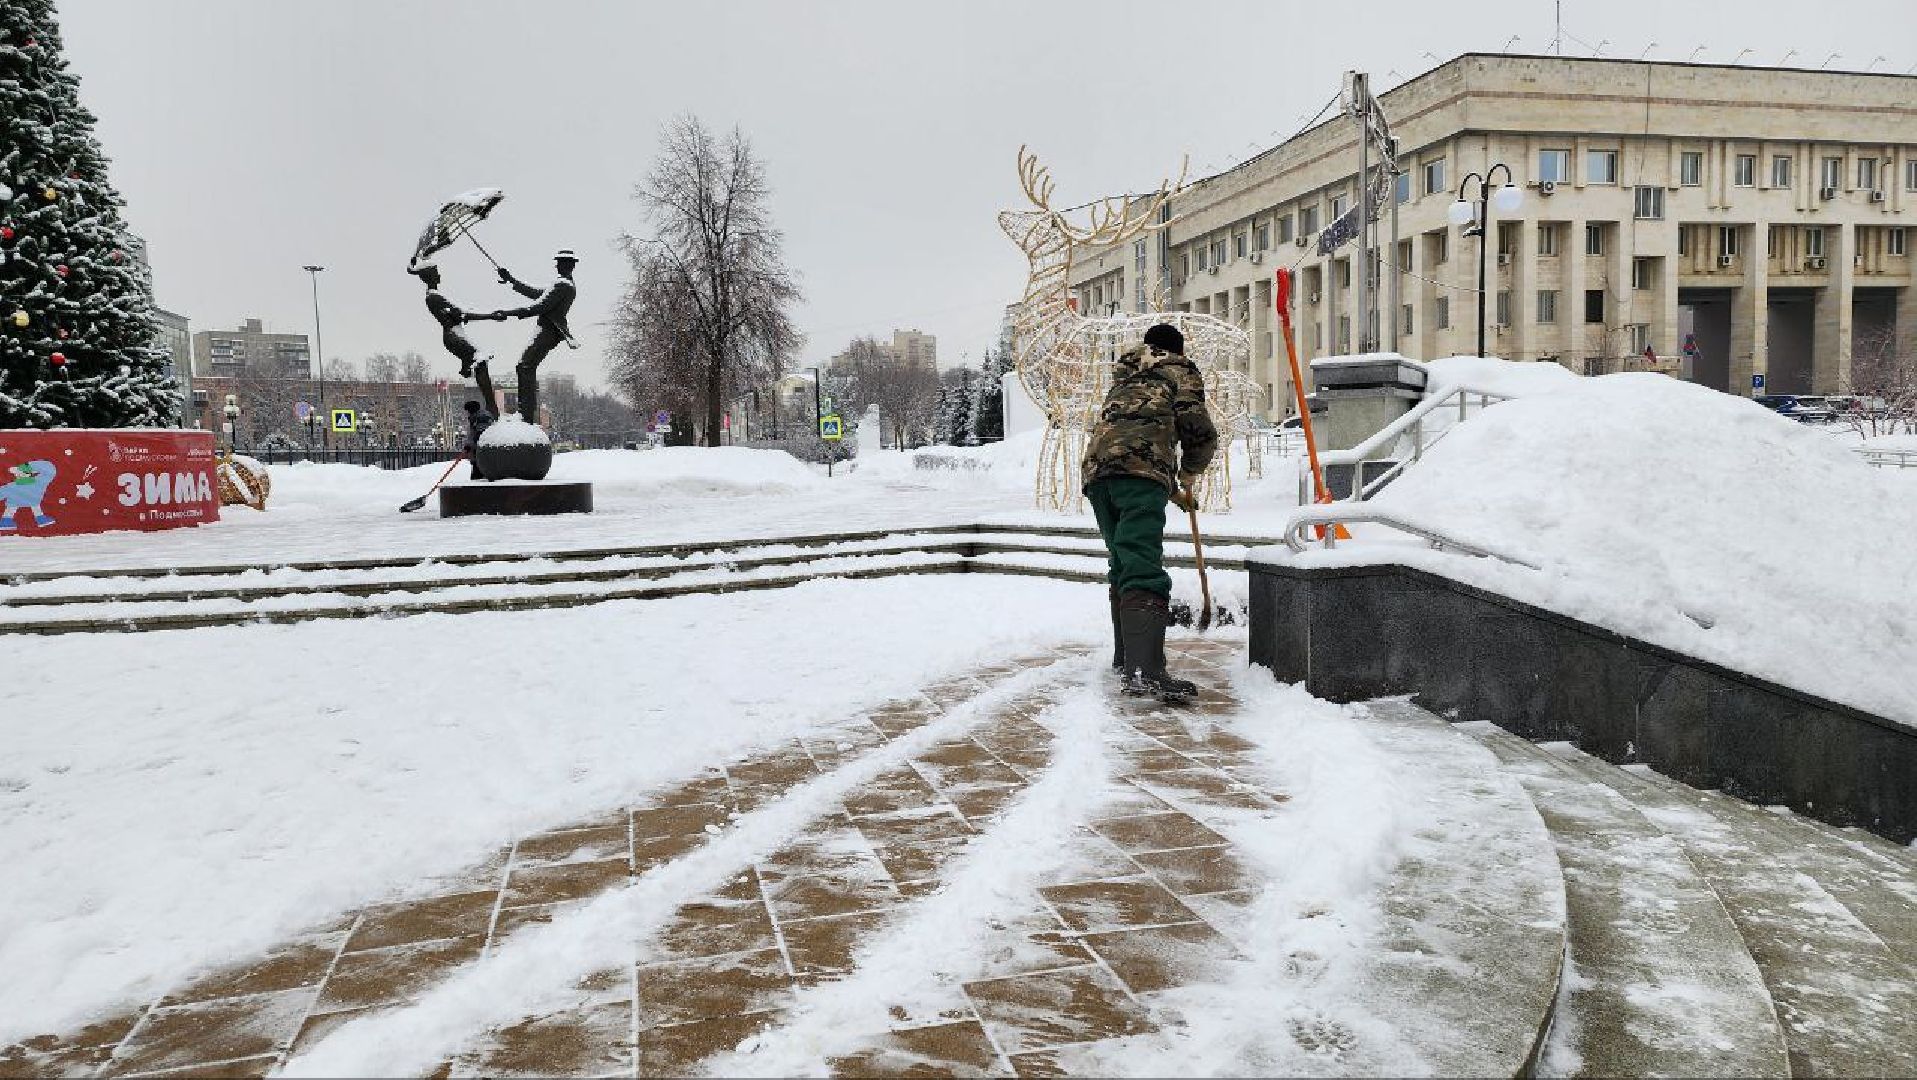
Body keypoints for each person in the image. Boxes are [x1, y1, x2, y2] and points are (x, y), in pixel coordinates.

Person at [1081, 322, 1217, 701]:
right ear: (1177, 350)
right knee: (1142, 564)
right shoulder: (1179, 370)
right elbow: (1200, 432)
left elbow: (1132, 437)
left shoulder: (1127, 375)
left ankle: (1127, 659)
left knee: (1123, 562)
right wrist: (1189, 472)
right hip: (1139, 477)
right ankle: (1144, 671)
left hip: (1098, 475)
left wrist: (1174, 491)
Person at [487, 249, 577, 422]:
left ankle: (526, 415)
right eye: (557, 262)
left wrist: (508, 313)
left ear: (570, 265)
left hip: (549, 331)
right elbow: (535, 293)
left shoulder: (563, 286)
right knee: (524, 366)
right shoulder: (561, 284)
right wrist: (510, 280)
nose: (557, 265)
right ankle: (526, 414)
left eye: (561, 262)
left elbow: (539, 306)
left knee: (525, 367)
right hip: (547, 331)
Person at [461, 399, 496, 481]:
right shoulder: (477, 417)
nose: (467, 413)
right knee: (477, 476)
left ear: (471, 410)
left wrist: (469, 446)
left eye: (468, 410)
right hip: (479, 453)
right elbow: (473, 433)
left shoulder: (482, 417)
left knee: (478, 477)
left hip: (483, 453)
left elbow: (479, 435)